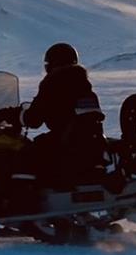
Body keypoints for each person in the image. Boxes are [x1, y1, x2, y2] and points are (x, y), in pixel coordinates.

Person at [18, 42, 108, 187]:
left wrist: (19, 116)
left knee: (24, 155)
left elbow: (34, 119)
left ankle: (25, 202)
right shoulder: (83, 85)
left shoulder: (54, 83)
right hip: (92, 142)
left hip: (68, 141)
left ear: (52, 63)